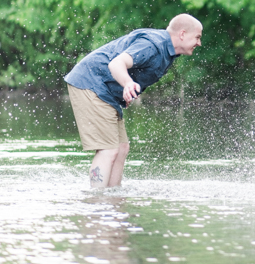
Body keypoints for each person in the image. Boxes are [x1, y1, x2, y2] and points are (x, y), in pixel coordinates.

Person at [65, 14, 203, 188]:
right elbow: (116, 63)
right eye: (197, 37)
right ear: (182, 34)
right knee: (108, 149)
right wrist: (127, 83)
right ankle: (98, 203)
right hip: (90, 83)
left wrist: (125, 90)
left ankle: (113, 197)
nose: (199, 43)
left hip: (106, 91)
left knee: (121, 148)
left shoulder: (169, 52)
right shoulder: (153, 44)